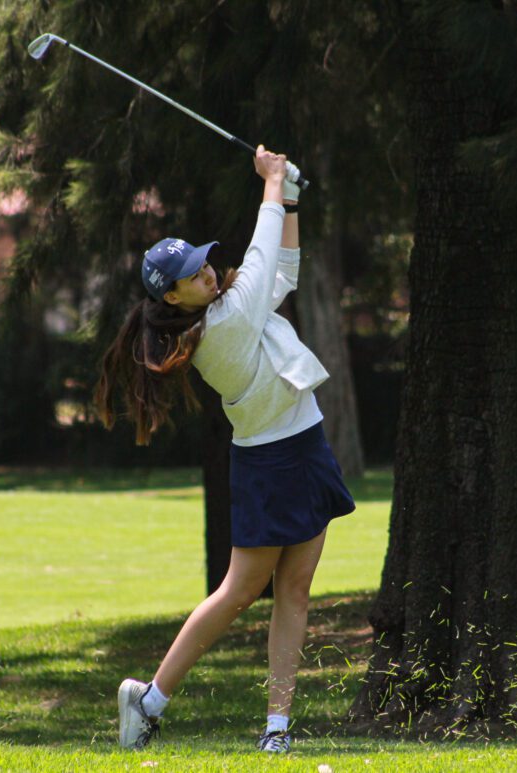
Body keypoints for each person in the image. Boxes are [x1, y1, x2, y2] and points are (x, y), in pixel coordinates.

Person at [93, 146, 355, 754]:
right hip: (267, 461)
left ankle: (277, 731)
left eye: (203, 263)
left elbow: (282, 271)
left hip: (305, 442)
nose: (208, 272)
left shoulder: (228, 301)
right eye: (193, 275)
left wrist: (288, 197)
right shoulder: (220, 323)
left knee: (295, 590)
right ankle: (149, 700)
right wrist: (269, 184)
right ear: (174, 299)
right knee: (241, 590)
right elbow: (264, 259)